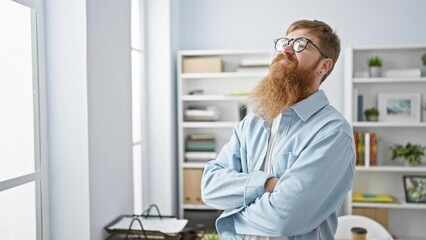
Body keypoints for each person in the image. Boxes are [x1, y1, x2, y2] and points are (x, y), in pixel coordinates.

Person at [201, 19, 355, 240]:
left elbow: (283, 219)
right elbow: (210, 187)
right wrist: (267, 185)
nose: (286, 49)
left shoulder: (332, 133)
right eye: (285, 42)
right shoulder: (253, 122)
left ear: (324, 66)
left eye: (301, 44)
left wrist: (231, 215)